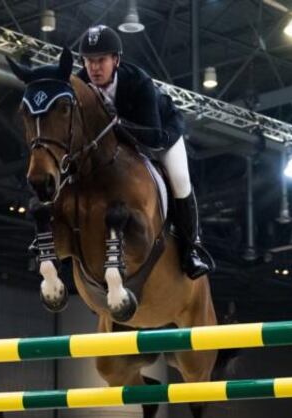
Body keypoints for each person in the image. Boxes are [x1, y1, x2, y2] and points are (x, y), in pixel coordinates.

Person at [76, 25, 212, 279]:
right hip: (116, 147)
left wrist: (117, 123)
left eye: (101, 60)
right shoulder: (80, 84)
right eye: (88, 61)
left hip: (160, 135)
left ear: (116, 60)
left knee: (180, 181)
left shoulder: (139, 82)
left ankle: (191, 248)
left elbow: (151, 137)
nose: (94, 67)